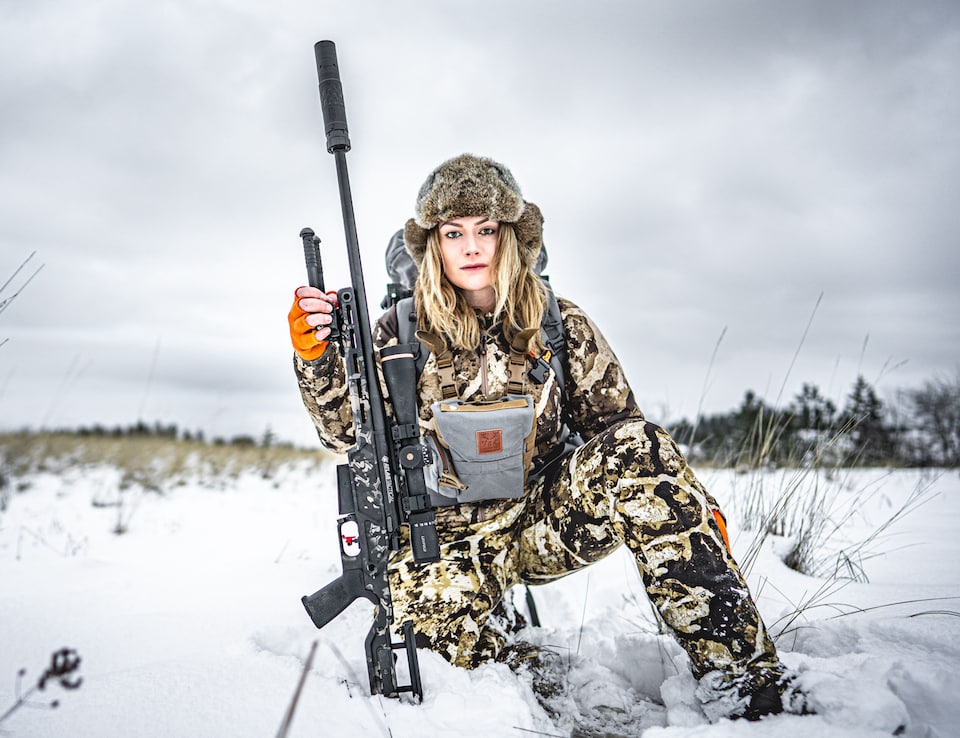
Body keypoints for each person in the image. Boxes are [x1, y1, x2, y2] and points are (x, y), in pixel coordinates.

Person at [288, 153, 801, 721]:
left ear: (511, 236)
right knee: (451, 664)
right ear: (433, 244)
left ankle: (743, 681)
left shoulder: (560, 322)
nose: (471, 246)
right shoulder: (396, 332)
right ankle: (531, 673)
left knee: (643, 447)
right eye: (453, 232)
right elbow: (343, 437)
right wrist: (317, 357)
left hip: (539, 522)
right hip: (441, 538)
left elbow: (620, 434)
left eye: (486, 229)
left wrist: (681, 505)